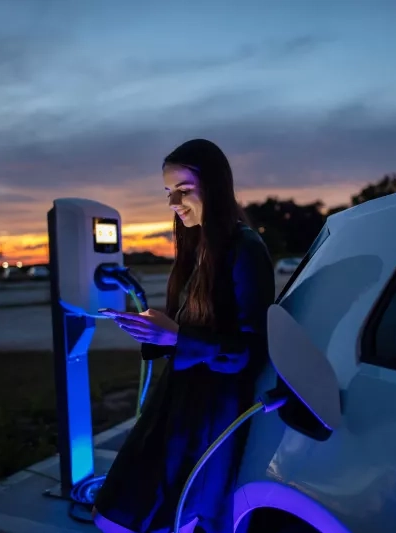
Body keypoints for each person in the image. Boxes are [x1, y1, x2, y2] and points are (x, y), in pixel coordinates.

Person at [93, 139, 276, 533]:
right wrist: (153, 329)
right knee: (129, 507)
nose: (173, 201)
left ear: (214, 185)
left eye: (184, 188)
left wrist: (179, 338)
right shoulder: (196, 249)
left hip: (214, 407)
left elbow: (251, 349)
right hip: (179, 396)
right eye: (167, 191)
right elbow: (188, 326)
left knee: (186, 508)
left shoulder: (244, 250)